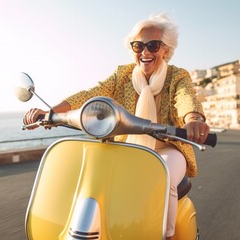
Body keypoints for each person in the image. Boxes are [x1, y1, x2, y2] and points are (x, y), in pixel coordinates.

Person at [24, 13, 209, 240]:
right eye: (138, 45)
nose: (145, 52)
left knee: (164, 177)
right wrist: (51, 113)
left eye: (153, 45)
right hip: (128, 146)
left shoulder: (177, 76)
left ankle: (166, 235)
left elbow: (185, 98)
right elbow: (92, 94)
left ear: (166, 49)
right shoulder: (122, 74)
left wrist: (193, 119)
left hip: (168, 148)